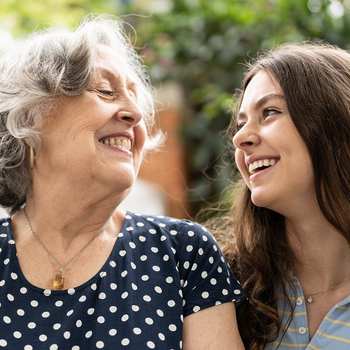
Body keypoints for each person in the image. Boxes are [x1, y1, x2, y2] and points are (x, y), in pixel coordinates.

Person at [0, 15, 246, 349]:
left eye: (134, 96)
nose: (135, 113)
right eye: (106, 90)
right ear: (32, 117)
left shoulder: (184, 253)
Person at [222, 41, 350, 350]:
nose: (240, 137)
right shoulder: (221, 284)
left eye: (269, 112)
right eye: (241, 124)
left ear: (335, 123)